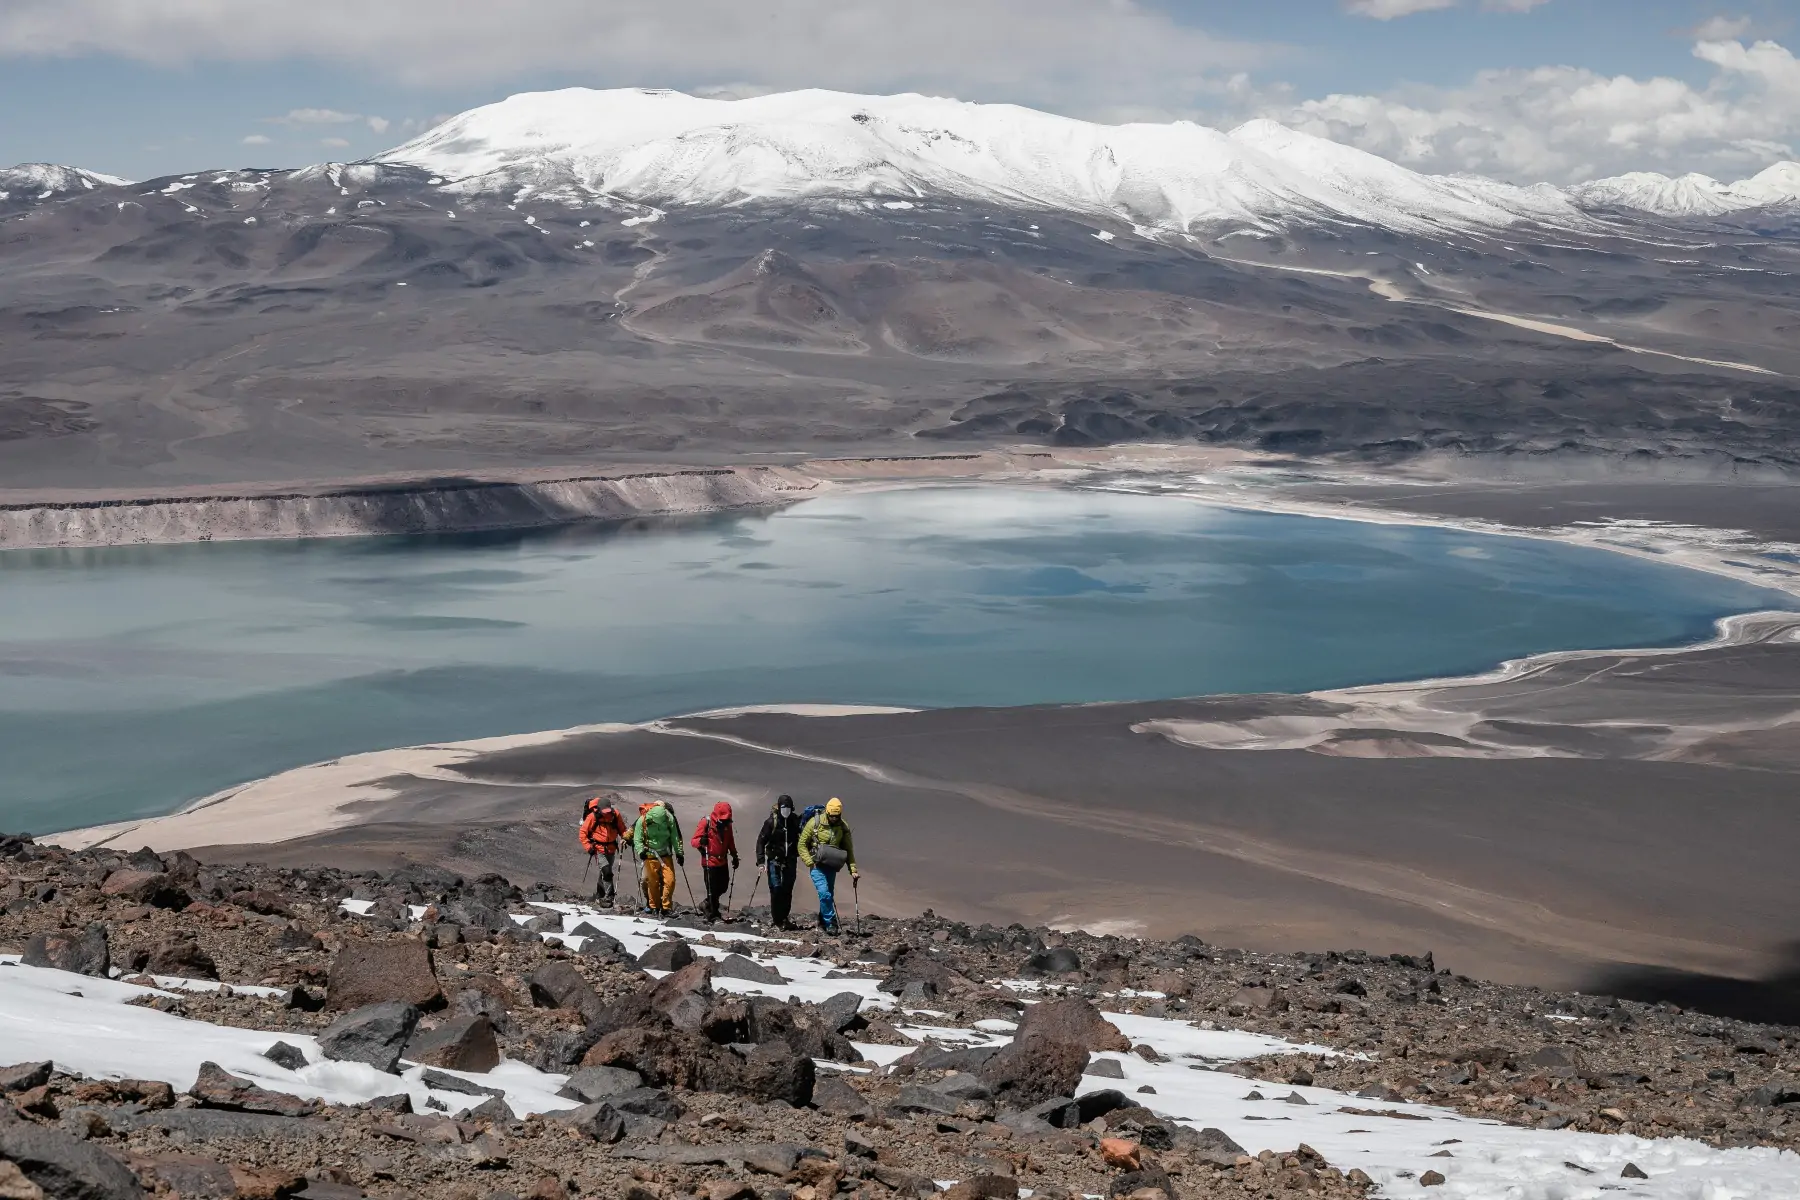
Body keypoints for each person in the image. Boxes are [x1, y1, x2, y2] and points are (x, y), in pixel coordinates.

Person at [797, 796, 857, 934]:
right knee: (824, 894)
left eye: (837, 816)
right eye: (832, 816)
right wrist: (810, 862)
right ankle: (831, 923)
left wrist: (853, 869)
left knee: (828, 894)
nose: (835, 819)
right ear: (828, 813)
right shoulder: (814, 823)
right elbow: (801, 844)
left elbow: (848, 850)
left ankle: (823, 919)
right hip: (817, 865)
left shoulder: (842, 827)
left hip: (831, 865)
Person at [754, 795, 803, 929]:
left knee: (787, 889)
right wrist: (761, 861)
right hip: (774, 860)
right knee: (776, 889)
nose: (785, 810)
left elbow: (803, 837)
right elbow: (761, 842)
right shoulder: (771, 823)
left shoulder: (795, 821)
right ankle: (777, 919)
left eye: (787, 807)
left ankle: (784, 917)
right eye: (783, 807)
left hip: (790, 860)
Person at [632, 798, 684, 917]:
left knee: (670, 881)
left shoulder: (669, 818)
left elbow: (675, 837)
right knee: (652, 882)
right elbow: (637, 838)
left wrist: (679, 853)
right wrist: (640, 851)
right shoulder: (643, 820)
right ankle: (655, 906)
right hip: (650, 855)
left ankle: (666, 907)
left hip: (665, 854)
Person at [690, 800, 740, 922]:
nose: (725, 822)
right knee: (712, 888)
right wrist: (701, 841)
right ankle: (712, 911)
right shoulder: (706, 822)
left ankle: (707, 904)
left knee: (723, 886)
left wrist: (734, 855)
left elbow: (730, 840)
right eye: (723, 819)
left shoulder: (728, 825)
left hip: (722, 860)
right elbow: (693, 841)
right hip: (709, 860)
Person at [578, 793, 631, 906]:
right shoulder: (592, 816)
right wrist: (588, 847)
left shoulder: (615, 815)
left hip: (611, 848)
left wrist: (626, 838)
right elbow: (583, 833)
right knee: (607, 872)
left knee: (604, 872)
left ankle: (599, 896)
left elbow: (622, 829)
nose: (606, 813)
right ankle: (609, 896)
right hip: (598, 848)